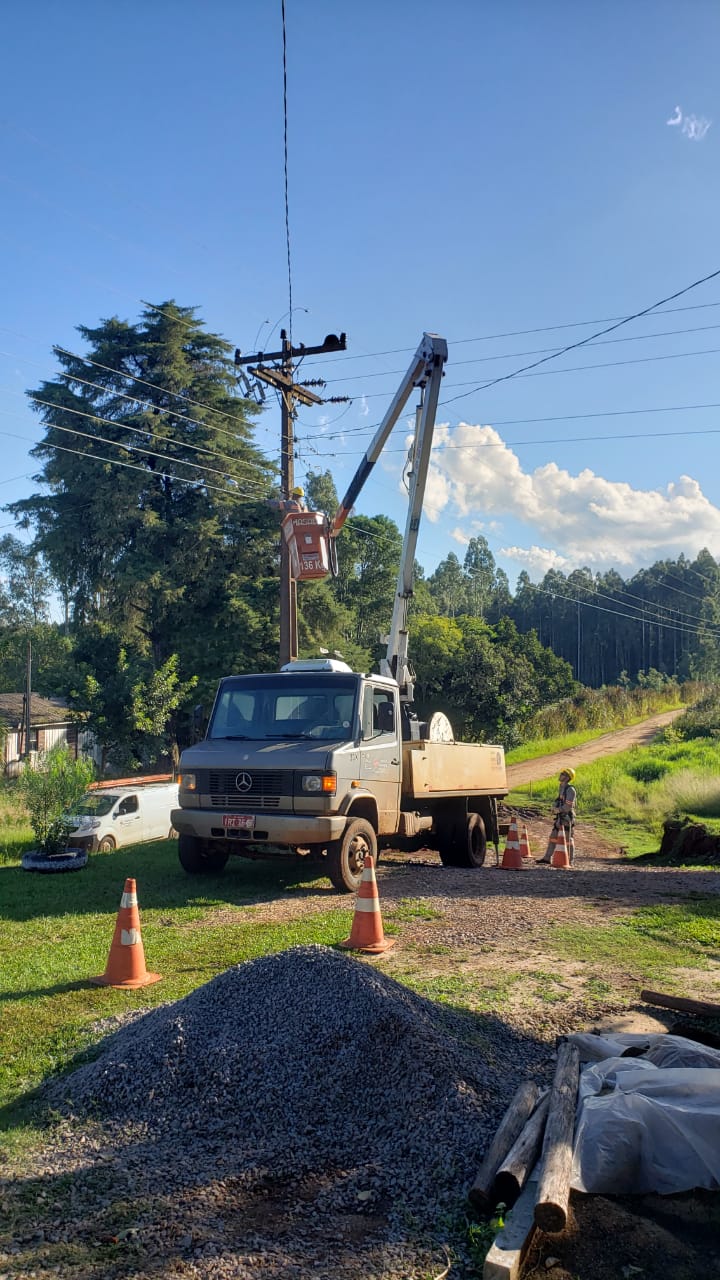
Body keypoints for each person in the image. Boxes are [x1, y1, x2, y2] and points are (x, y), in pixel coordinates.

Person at [538, 767, 577, 864]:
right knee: (553, 837)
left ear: (567, 777)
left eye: (563, 774)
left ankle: (570, 861)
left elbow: (568, 806)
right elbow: (559, 800)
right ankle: (547, 858)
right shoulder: (561, 787)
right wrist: (554, 807)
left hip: (567, 818)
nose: (560, 775)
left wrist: (558, 810)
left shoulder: (570, 790)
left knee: (568, 839)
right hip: (560, 817)